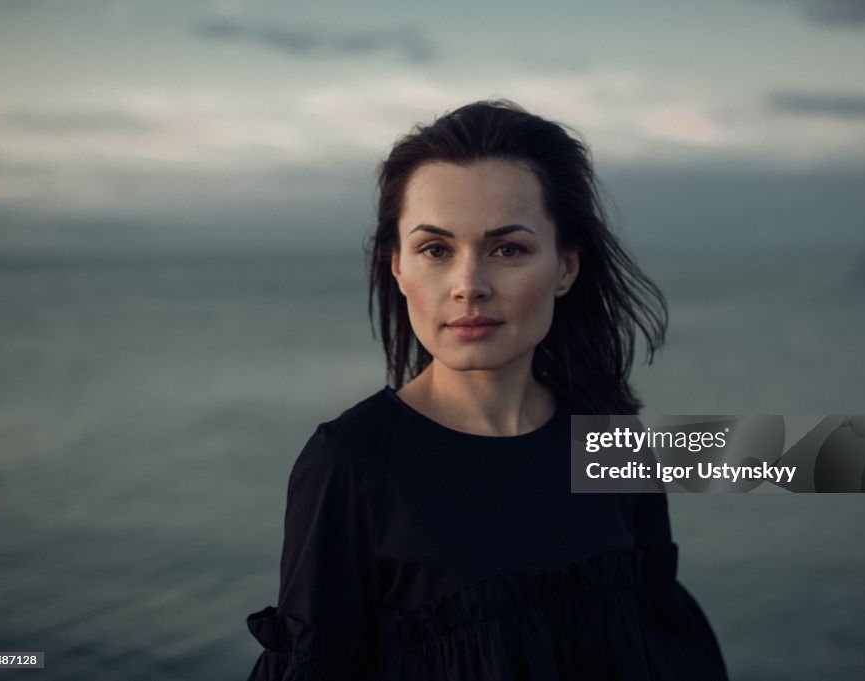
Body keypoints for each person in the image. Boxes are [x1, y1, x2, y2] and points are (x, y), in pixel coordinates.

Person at [244, 100, 729, 680]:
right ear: (397, 266)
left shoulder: (610, 441)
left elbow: (662, 639)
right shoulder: (350, 465)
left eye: (508, 249)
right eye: (435, 249)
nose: (468, 286)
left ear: (566, 268)